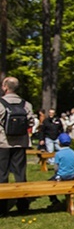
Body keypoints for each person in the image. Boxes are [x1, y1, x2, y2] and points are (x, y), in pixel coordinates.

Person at [0, 76, 34, 215]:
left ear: (5, 87)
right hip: (21, 143)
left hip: (3, 142)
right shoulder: (26, 104)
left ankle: (2, 207)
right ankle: (22, 204)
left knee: (2, 175)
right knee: (20, 173)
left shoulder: (0, 103)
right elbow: (31, 122)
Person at [48, 133, 74, 207]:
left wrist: (56, 174)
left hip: (62, 176)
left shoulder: (58, 154)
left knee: (49, 183)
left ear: (59, 143)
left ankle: (54, 200)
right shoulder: (73, 152)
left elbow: (56, 167)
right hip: (72, 175)